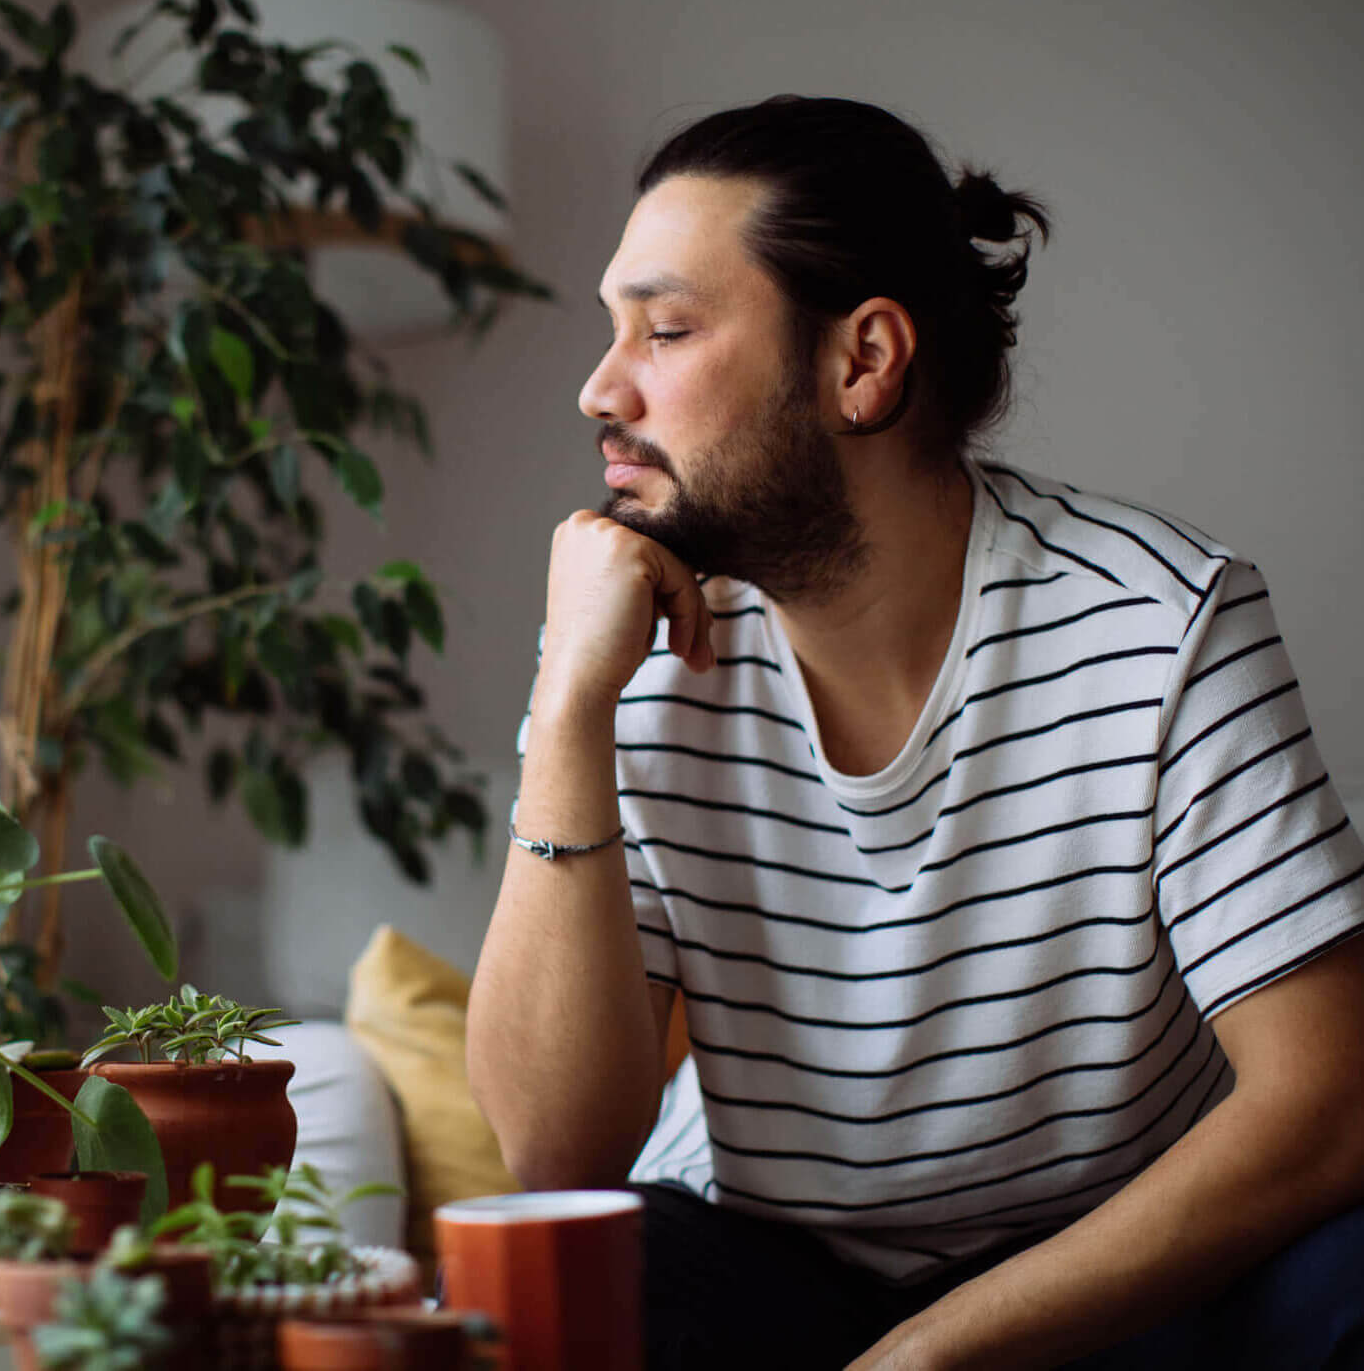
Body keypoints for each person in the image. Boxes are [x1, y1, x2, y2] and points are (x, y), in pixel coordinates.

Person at [464, 95, 1364, 1370]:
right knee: (569, 1294)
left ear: (863, 362)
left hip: (1102, 1271)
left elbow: (1328, 1103)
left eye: (663, 330)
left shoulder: (1162, 621)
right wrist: (567, 707)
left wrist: (935, 1352)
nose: (598, 388)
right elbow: (554, 1156)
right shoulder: (629, 646)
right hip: (756, 1261)